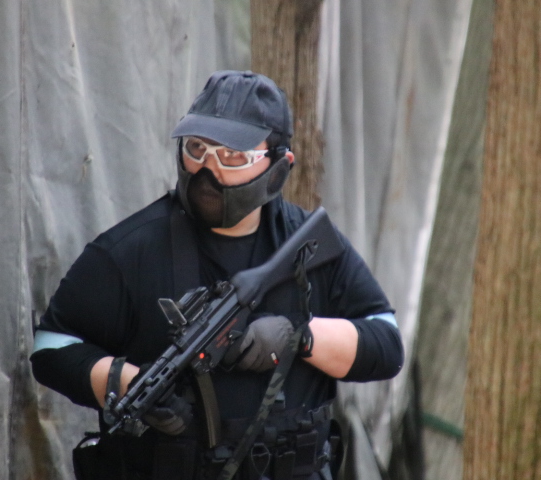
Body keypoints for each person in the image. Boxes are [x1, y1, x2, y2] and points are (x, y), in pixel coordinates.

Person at [31, 70, 404, 480]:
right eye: (197, 148)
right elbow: (51, 348)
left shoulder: (307, 244)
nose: (208, 169)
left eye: (232, 155)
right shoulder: (129, 250)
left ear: (279, 167)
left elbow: (386, 344)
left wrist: (300, 335)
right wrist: (123, 382)